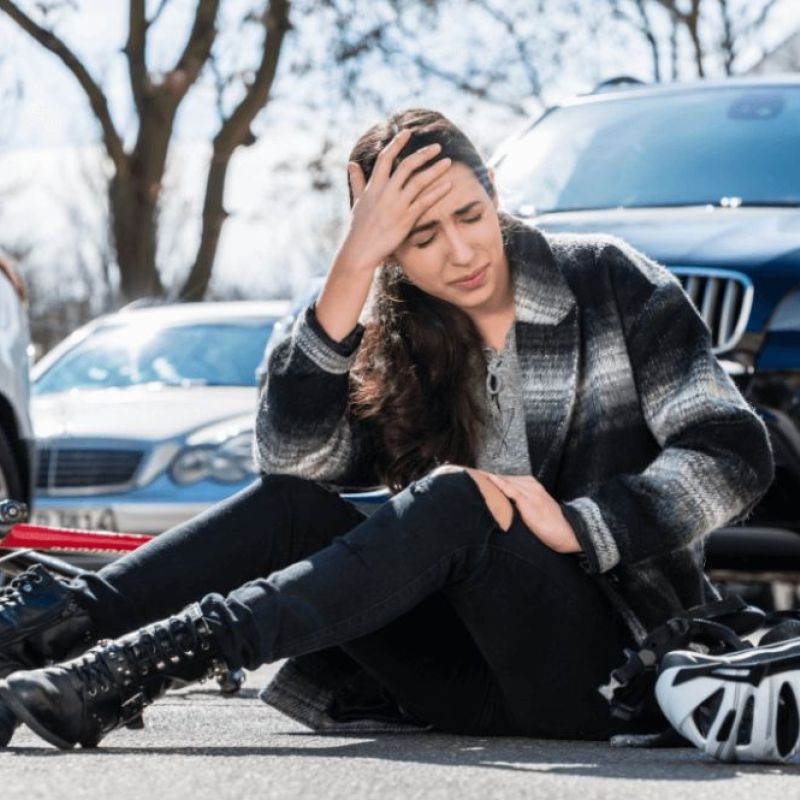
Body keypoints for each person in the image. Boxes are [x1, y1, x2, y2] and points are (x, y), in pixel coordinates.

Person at [0, 109, 775, 752]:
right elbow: (295, 464)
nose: (462, 251)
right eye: (419, 237)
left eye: (470, 215)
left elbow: (732, 453)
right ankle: (35, 644)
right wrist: (349, 274)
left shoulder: (612, 280)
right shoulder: (396, 336)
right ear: (388, 253)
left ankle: (141, 666)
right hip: (457, 676)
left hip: (611, 667)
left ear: (495, 193)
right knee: (293, 506)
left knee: (458, 501)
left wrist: (580, 525)